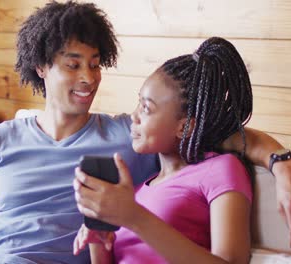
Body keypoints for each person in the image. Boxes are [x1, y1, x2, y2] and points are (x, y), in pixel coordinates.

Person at [0, 2, 291, 263]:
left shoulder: (133, 136)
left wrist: (282, 163)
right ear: (42, 67)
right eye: (73, 65)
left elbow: (218, 131)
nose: (88, 78)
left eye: (94, 65)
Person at [73, 37, 255, 263]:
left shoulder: (221, 169)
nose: (134, 116)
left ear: (185, 126)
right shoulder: (138, 191)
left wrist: (135, 217)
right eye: (138, 103)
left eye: (147, 108)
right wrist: (98, 241)